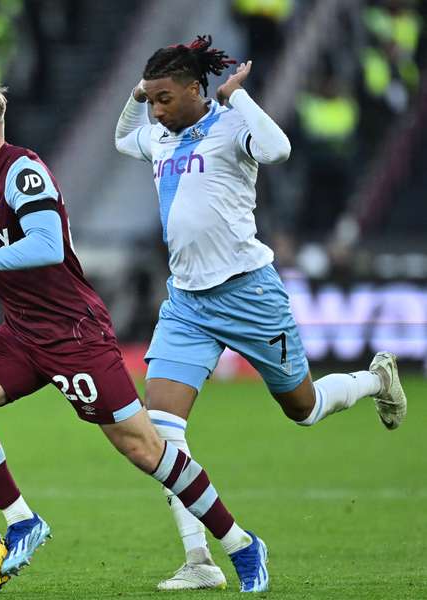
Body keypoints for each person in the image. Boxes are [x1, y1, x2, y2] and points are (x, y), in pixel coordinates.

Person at [0, 79, 269, 592]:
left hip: (74, 335)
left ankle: (242, 544)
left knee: (144, 449)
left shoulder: (23, 172)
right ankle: (23, 520)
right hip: (22, 332)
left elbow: (45, 245)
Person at [113, 35, 407, 591]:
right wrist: (138, 93)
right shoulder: (158, 134)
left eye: (164, 98)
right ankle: (200, 559)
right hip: (187, 303)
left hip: (248, 294)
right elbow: (124, 136)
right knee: (161, 431)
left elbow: (278, 150)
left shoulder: (229, 125)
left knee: (304, 407)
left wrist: (237, 98)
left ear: (197, 90)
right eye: (150, 101)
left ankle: (375, 379)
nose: (155, 111)